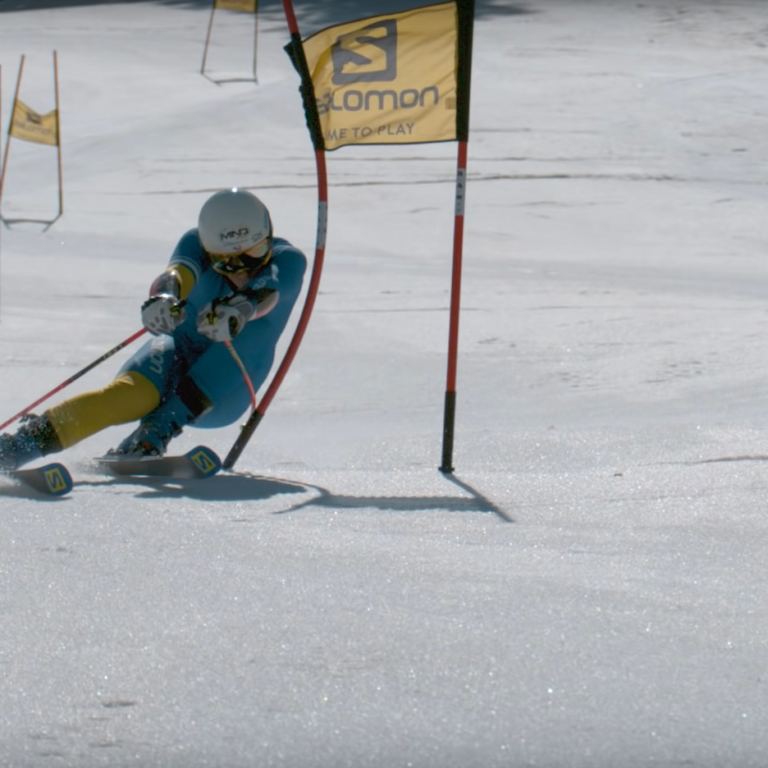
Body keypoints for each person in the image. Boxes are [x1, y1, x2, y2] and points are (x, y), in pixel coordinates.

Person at [0, 188, 307, 471]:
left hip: (229, 388)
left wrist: (240, 308)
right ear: (210, 252)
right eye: (227, 263)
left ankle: (158, 429)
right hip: (179, 351)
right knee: (129, 398)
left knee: (245, 338)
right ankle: (20, 446)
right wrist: (165, 299)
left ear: (268, 236)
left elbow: (268, 289)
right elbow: (177, 273)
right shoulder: (195, 242)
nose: (243, 269)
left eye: (254, 253)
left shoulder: (288, 259)